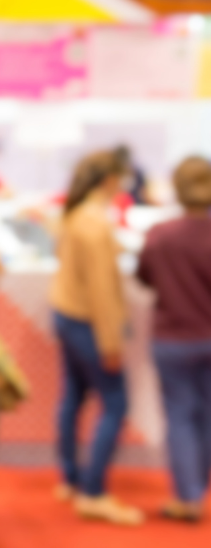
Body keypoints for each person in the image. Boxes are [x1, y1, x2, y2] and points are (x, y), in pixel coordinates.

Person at [50, 151, 142, 525]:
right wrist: (111, 342)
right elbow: (103, 291)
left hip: (66, 313)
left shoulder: (77, 216)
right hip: (87, 321)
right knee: (116, 404)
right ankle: (93, 491)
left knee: (72, 397)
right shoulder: (95, 223)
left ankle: (72, 478)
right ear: (109, 180)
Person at [137, 156, 211, 522]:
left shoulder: (160, 235)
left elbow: (144, 277)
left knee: (181, 416)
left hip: (173, 338)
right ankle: (198, 485)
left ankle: (189, 496)